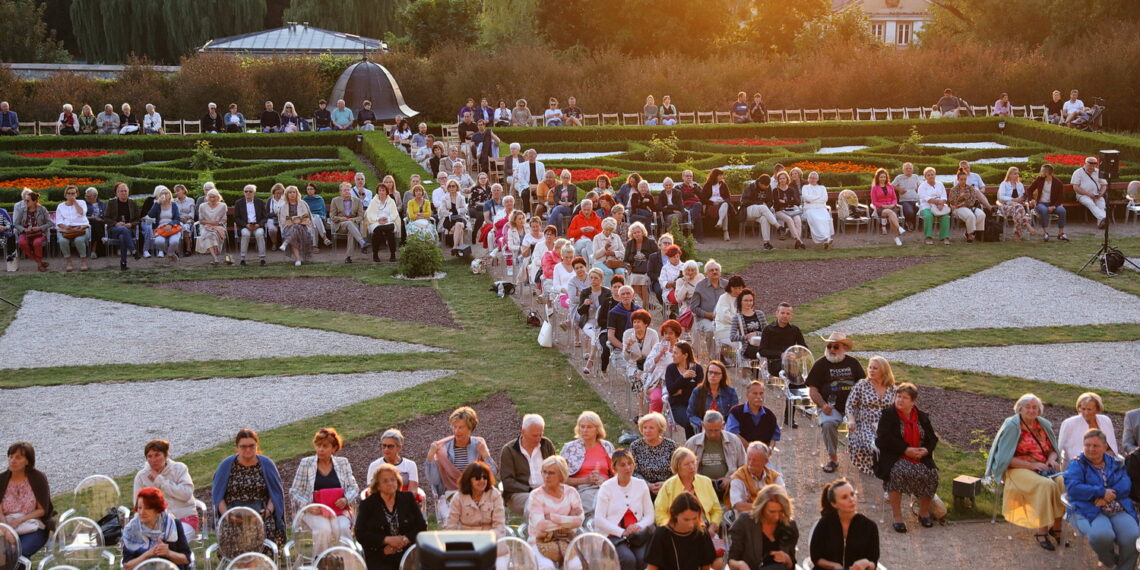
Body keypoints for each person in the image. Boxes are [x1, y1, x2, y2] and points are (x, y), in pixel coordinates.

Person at [984, 393, 1066, 550]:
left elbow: (1053, 450)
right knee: (1046, 485)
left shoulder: (1043, 425)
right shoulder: (1012, 426)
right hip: (1017, 468)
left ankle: (1056, 527)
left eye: (1035, 407)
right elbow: (1005, 459)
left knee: (1064, 482)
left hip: (1043, 467)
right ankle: (1041, 531)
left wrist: (1051, 459)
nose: (1031, 410)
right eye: (1027, 407)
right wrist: (1032, 465)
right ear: (1019, 409)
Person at [1064, 428, 1139, 570]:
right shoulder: (1076, 464)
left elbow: (1125, 483)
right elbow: (1073, 488)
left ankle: (1125, 567)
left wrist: (1108, 496)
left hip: (1117, 508)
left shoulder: (1115, 463)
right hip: (1088, 510)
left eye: (1096, 445)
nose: (1091, 449)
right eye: (1087, 445)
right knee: (1102, 536)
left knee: (1133, 536)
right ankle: (1111, 562)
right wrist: (1100, 492)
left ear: (1105, 447)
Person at [874, 382, 939, 533]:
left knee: (931, 474)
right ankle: (898, 517)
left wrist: (926, 450)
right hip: (895, 456)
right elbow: (882, 439)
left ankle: (923, 513)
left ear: (913, 401)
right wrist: (905, 449)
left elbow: (932, 439)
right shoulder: (888, 415)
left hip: (919, 455)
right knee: (898, 473)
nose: (900, 400)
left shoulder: (922, 417)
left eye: (904, 398)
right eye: (898, 396)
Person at [211, 429, 286, 554]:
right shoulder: (226, 465)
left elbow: (275, 493)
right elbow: (218, 496)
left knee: (265, 530)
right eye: (243, 446)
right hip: (233, 515)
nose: (248, 450)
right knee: (233, 533)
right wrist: (227, 515)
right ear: (237, 447)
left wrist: (268, 511)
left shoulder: (267, 465)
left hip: (261, 514)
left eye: (252, 446)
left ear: (257, 445)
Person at [288, 428, 360, 553]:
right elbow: (294, 491)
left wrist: (346, 499)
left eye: (325, 446)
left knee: (342, 528)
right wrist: (308, 506)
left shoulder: (343, 463)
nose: (320, 449)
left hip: (338, 509)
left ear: (334, 448)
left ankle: (348, 563)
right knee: (323, 530)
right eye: (318, 445)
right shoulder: (306, 464)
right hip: (314, 510)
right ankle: (321, 562)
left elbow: (354, 487)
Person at [426, 407, 496, 522]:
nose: (456, 431)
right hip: (450, 496)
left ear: (470, 428)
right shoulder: (442, 448)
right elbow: (434, 481)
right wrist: (430, 458)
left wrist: (486, 455)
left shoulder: (479, 445)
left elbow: (492, 474)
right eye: (454, 427)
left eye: (461, 427)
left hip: (477, 495)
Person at [808, 332, 866, 473]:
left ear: (844, 347)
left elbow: (863, 385)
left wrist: (858, 406)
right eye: (829, 346)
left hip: (852, 407)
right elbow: (813, 391)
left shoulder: (853, 363)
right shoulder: (820, 364)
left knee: (869, 421)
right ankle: (833, 459)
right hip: (829, 407)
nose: (831, 350)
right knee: (828, 424)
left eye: (836, 347)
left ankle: (864, 458)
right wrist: (823, 405)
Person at [653, 447, 723, 562]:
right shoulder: (668, 486)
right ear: (677, 467)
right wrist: (672, 529)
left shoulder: (705, 481)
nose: (692, 467)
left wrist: (713, 527)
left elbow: (717, 510)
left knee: (718, 563)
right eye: (687, 464)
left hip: (705, 529)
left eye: (693, 462)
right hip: (678, 531)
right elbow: (660, 513)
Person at [356, 463, 426, 570]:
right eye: (385, 481)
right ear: (377, 485)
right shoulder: (367, 504)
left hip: (408, 551)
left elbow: (421, 525)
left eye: (393, 480)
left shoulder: (407, 499)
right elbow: (360, 534)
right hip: (379, 553)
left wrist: (405, 539)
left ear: (398, 482)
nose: (390, 483)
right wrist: (386, 540)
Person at [594, 449, 655, 570]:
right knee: (628, 560)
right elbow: (599, 519)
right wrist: (621, 532)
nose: (627, 467)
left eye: (630, 463)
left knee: (643, 559)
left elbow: (650, 515)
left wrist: (638, 526)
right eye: (622, 465)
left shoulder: (641, 484)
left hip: (637, 534)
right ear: (614, 468)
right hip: (614, 535)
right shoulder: (606, 487)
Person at [526, 455, 584, 569]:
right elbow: (541, 525)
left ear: (561, 475)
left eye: (551, 473)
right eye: (544, 472)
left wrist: (551, 516)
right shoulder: (536, 495)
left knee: (576, 566)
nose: (546, 476)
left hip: (566, 540)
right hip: (540, 541)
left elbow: (579, 521)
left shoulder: (571, 492)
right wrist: (568, 519)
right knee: (546, 567)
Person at [131, 440, 198, 539]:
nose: (154, 460)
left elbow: (186, 494)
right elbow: (138, 506)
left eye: (157, 455)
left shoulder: (179, 469)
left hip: (183, 518)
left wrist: (160, 481)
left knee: (172, 541)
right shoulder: (142, 476)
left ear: (166, 455)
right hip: (154, 524)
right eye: (150, 456)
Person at [809, 479, 879, 570]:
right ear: (834, 504)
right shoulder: (824, 524)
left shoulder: (870, 526)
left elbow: (873, 562)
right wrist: (834, 566)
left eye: (852, 494)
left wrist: (866, 564)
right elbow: (816, 558)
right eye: (844, 497)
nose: (851, 499)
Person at [1, 442, 54, 557]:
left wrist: (20, 520)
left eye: (18, 457)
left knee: (20, 553)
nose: (12, 460)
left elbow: (42, 510)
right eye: (11, 456)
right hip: (4, 525)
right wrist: (6, 529)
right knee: (4, 556)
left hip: (32, 526)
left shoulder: (38, 478)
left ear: (28, 461)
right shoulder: (2, 479)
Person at [847, 356, 898, 475]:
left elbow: (896, 408)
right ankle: (872, 466)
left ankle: (885, 465)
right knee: (872, 443)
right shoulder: (862, 385)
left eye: (875, 368)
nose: (871, 370)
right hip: (864, 423)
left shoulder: (891, 387)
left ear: (884, 371)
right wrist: (851, 420)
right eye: (870, 367)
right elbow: (850, 404)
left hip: (885, 424)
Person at [727, 484, 796, 570]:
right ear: (761, 509)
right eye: (772, 512)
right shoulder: (745, 522)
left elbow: (791, 566)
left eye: (781, 512)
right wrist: (740, 565)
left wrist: (787, 559)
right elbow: (731, 560)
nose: (777, 517)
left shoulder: (789, 525)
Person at [122, 487, 191, 570]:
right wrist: (147, 554)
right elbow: (127, 566)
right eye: (139, 508)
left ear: (157, 509)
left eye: (147, 508)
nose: (141, 512)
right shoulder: (132, 530)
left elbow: (186, 559)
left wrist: (168, 553)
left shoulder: (173, 525)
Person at [499, 414, 556, 515]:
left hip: (548, 491)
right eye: (534, 435)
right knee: (535, 502)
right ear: (523, 432)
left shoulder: (546, 445)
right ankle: (537, 530)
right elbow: (507, 482)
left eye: (541, 434)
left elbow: (556, 470)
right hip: (519, 494)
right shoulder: (509, 450)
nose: (538, 438)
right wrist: (531, 490)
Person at [561, 411, 615, 515]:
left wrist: (605, 482)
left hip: (605, 487)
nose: (585, 430)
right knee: (596, 503)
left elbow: (615, 474)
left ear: (597, 430)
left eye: (589, 427)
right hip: (581, 490)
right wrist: (586, 480)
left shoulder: (607, 446)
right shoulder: (570, 448)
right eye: (582, 426)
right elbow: (561, 479)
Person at [646, 492, 717, 570]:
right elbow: (652, 567)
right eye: (686, 519)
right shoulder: (661, 534)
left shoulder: (702, 533)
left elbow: (706, 566)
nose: (691, 524)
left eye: (694, 518)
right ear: (675, 515)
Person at [685, 410, 746, 498]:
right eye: (709, 431)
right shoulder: (692, 443)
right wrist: (703, 481)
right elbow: (684, 470)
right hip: (700, 487)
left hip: (729, 486)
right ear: (703, 425)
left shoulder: (734, 440)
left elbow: (743, 466)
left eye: (716, 430)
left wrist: (730, 478)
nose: (713, 434)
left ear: (723, 426)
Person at [1058, 392, 1119, 466]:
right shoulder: (1069, 423)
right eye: (1083, 409)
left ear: (1097, 409)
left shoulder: (1106, 420)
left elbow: (1112, 448)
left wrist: (1101, 459)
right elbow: (1059, 448)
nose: (1086, 412)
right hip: (1077, 465)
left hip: (1104, 462)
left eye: (1089, 409)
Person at [728, 442, 784, 515]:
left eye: (755, 460)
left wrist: (750, 505)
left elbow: (783, 502)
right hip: (748, 520)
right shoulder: (738, 478)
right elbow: (740, 507)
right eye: (749, 459)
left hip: (771, 519)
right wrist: (769, 506)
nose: (750, 463)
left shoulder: (775, 477)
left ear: (765, 461)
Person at [631, 412, 678, 495]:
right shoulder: (635, 446)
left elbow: (678, 469)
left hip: (668, 489)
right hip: (642, 490)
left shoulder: (671, 445)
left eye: (651, 428)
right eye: (645, 427)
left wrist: (666, 484)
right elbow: (632, 471)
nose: (647, 431)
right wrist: (647, 485)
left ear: (659, 429)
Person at [366, 429, 420, 500]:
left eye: (390, 446)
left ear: (399, 447)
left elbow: (413, 491)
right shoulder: (374, 466)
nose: (386, 449)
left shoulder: (410, 465)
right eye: (384, 446)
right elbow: (371, 491)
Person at [687, 360, 740, 432]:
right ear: (707, 374)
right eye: (710, 372)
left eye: (717, 373)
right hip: (704, 428)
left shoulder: (730, 392)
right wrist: (701, 423)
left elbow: (735, 414)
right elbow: (690, 414)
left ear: (722, 376)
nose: (713, 375)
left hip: (724, 428)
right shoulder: (698, 391)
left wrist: (726, 425)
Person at [666, 342, 704, 439]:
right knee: (689, 423)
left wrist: (681, 391)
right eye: (672, 352)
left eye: (676, 353)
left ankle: (702, 447)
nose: (672, 355)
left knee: (708, 420)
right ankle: (691, 449)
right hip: (677, 406)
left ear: (685, 355)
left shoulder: (697, 368)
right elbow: (671, 390)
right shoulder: (670, 369)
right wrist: (683, 377)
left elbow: (699, 390)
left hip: (696, 404)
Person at [726, 381, 780, 446]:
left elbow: (774, 436)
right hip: (739, 452)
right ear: (747, 395)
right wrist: (751, 450)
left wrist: (769, 449)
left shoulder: (769, 415)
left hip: (762, 453)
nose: (759, 397)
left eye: (761, 393)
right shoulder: (736, 412)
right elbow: (733, 434)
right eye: (755, 393)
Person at [690, 260, 725, 361]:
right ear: (706, 274)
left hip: (723, 318)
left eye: (716, 270)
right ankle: (714, 359)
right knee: (712, 330)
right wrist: (707, 315)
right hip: (705, 319)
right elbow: (693, 307)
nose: (714, 272)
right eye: (711, 270)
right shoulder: (700, 286)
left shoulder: (726, 285)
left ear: (720, 272)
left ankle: (724, 354)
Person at [1025, 164, 1069, 242]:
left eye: (1041, 171)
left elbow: (1061, 198)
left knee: (1062, 210)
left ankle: (1061, 233)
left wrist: (1054, 206)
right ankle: (1046, 233)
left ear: (1047, 172)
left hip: (1054, 204)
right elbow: (1029, 190)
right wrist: (1031, 199)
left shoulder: (1058, 182)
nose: (1040, 172)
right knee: (1044, 210)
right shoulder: (1039, 179)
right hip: (1041, 203)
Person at [103, 182, 140, 270]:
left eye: (125, 191)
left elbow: (138, 219)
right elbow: (106, 218)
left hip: (128, 230)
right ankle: (133, 250)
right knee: (122, 230)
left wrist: (130, 224)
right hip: (114, 229)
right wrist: (116, 223)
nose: (123, 193)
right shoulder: (111, 203)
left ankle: (123, 263)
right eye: (121, 191)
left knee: (123, 237)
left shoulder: (132, 203)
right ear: (117, 193)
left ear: (128, 192)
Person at [328, 182, 368, 262]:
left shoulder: (358, 201)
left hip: (353, 226)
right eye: (344, 190)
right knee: (349, 224)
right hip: (340, 226)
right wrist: (340, 218)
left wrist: (352, 219)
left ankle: (348, 257)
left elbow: (361, 216)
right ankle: (362, 241)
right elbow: (332, 216)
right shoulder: (335, 200)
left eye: (348, 190)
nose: (347, 192)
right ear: (340, 192)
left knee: (351, 230)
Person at [948, 168, 990, 243]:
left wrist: (961, 203)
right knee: (970, 216)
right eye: (961, 179)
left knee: (981, 214)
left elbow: (972, 200)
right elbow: (952, 203)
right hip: (958, 209)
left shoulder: (970, 188)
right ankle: (970, 235)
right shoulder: (953, 190)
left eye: (965, 179)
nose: (963, 181)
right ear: (958, 179)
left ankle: (975, 233)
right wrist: (960, 198)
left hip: (970, 207)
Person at [55, 185, 90, 272]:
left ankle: (83, 261)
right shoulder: (61, 206)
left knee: (78, 240)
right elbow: (58, 221)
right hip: (67, 229)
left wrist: (75, 202)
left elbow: (82, 212)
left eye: (73, 193)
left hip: (81, 228)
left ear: (77, 194)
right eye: (69, 193)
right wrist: (66, 227)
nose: (71, 195)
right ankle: (69, 262)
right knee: (63, 241)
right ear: (65, 195)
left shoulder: (81, 202)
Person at [14, 190, 50, 272]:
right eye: (25, 200)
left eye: (27, 200)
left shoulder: (42, 209)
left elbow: (50, 223)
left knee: (37, 243)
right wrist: (24, 229)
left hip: (39, 233)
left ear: (35, 201)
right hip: (26, 233)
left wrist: (40, 228)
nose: (25, 202)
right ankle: (40, 263)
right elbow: (16, 224)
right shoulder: (22, 210)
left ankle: (39, 264)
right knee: (22, 242)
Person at [998, 166, 1037, 241]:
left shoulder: (1020, 184)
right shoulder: (1004, 184)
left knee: (1018, 210)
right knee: (1019, 208)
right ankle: (1027, 225)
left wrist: (1022, 199)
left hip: (1018, 207)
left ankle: (1017, 234)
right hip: (1006, 206)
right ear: (1009, 175)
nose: (1017, 175)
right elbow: (1002, 196)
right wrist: (1013, 199)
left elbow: (1022, 196)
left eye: (1017, 174)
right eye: (1015, 174)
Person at [626, 222, 659, 308]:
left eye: (638, 232)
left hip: (647, 269)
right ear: (632, 234)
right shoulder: (630, 243)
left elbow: (657, 256)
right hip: (634, 269)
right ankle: (647, 304)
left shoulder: (650, 242)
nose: (637, 234)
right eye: (634, 233)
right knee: (633, 282)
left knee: (644, 283)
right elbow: (625, 259)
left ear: (642, 232)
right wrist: (628, 265)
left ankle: (645, 309)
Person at [233, 184, 267, 266]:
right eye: (246, 191)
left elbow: (265, 217)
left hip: (257, 225)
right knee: (245, 234)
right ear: (244, 192)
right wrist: (245, 225)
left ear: (254, 193)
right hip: (245, 226)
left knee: (259, 234)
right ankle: (242, 259)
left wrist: (258, 225)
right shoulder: (238, 203)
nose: (248, 193)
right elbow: (236, 218)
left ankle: (262, 259)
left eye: (250, 191)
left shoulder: (260, 202)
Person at [366, 184, 401, 263]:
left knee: (390, 232)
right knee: (377, 231)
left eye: (383, 190)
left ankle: (393, 254)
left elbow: (394, 214)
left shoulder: (391, 201)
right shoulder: (373, 201)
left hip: (389, 221)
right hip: (376, 222)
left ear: (386, 192)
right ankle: (375, 254)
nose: (381, 192)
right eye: (380, 190)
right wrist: (378, 219)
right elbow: (369, 214)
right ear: (377, 191)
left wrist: (387, 219)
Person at [279, 185, 313, 266]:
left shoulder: (302, 203)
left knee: (297, 227)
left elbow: (306, 217)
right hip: (288, 228)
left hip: (303, 227)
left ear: (297, 193)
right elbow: (282, 221)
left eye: (294, 192)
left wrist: (297, 221)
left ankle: (286, 243)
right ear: (287, 194)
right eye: (290, 192)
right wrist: (293, 221)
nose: (292, 194)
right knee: (294, 229)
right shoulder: (283, 206)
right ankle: (298, 259)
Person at [1072, 156, 1109, 229]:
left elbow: (1104, 185)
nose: (1091, 167)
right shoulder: (1078, 172)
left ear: (1096, 165)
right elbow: (1075, 187)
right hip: (1083, 195)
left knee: (1102, 204)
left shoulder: (1098, 172)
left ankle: (1101, 224)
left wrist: (1101, 194)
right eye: (1089, 165)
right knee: (1090, 203)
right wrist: (1088, 194)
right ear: (1085, 164)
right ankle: (1104, 218)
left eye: (1093, 165)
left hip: (1096, 194)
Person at [918, 167, 951, 245]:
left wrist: (941, 204)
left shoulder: (940, 184)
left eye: (932, 174)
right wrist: (938, 202)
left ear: (935, 175)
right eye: (928, 175)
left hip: (940, 206)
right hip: (927, 206)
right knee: (929, 216)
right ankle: (928, 237)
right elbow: (927, 199)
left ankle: (944, 237)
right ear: (925, 177)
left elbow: (944, 196)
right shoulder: (922, 186)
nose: (930, 176)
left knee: (945, 217)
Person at [701, 169, 736, 242]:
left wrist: (722, 201)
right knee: (725, 213)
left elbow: (728, 197)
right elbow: (703, 198)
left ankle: (720, 222)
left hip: (722, 204)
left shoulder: (723, 185)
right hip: (711, 206)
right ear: (715, 176)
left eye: (722, 175)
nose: (722, 177)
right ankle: (725, 232)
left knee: (725, 204)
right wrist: (712, 203)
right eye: (720, 175)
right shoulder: (707, 185)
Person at [772, 171, 805, 249]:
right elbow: (776, 204)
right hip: (780, 211)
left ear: (787, 179)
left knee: (797, 220)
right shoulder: (775, 190)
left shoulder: (791, 189)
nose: (782, 180)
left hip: (791, 210)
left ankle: (798, 241)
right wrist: (788, 202)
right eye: (780, 179)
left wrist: (784, 201)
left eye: (784, 178)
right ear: (778, 180)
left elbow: (796, 201)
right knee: (789, 220)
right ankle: (799, 240)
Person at [196, 189, 229, 265]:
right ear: (207, 197)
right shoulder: (202, 206)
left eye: (214, 197)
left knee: (213, 235)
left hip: (219, 226)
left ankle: (216, 256)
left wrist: (216, 225)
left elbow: (224, 220)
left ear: (218, 197)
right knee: (208, 235)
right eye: (210, 197)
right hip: (205, 226)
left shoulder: (223, 206)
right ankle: (215, 257)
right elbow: (201, 221)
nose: (212, 199)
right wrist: (210, 223)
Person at [802, 171, 834, 248]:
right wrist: (818, 197)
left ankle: (827, 239)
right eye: (811, 178)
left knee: (825, 219)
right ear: (808, 179)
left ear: (817, 179)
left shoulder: (822, 188)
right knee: (817, 219)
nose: (812, 179)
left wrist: (812, 200)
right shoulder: (805, 187)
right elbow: (806, 198)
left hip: (821, 208)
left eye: (814, 178)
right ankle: (825, 238)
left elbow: (825, 199)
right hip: (810, 209)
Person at [592, 217, 626, 285]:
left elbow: (623, 252)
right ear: (603, 228)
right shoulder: (597, 238)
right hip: (600, 262)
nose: (608, 232)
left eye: (610, 230)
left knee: (620, 271)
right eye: (606, 230)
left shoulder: (616, 237)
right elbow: (595, 255)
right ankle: (607, 292)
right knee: (608, 272)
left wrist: (613, 253)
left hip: (614, 262)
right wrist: (604, 249)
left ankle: (620, 291)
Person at [440, 179, 470, 253]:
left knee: (458, 224)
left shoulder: (461, 197)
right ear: (447, 188)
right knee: (459, 227)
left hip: (460, 218)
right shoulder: (444, 198)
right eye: (449, 186)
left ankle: (455, 247)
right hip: (449, 220)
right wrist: (449, 213)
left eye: (453, 186)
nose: (451, 188)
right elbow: (442, 211)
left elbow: (465, 210)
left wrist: (458, 211)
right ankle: (460, 247)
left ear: (457, 187)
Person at [302, 182, 331, 250]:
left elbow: (323, 211)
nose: (310, 190)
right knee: (314, 221)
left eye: (311, 189)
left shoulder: (320, 199)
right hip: (308, 218)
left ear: (315, 190)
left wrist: (321, 217)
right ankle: (324, 238)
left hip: (319, 218)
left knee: (315, 220)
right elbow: (303, 212)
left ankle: (315, 246)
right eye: (308, 189)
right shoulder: (304, 199)